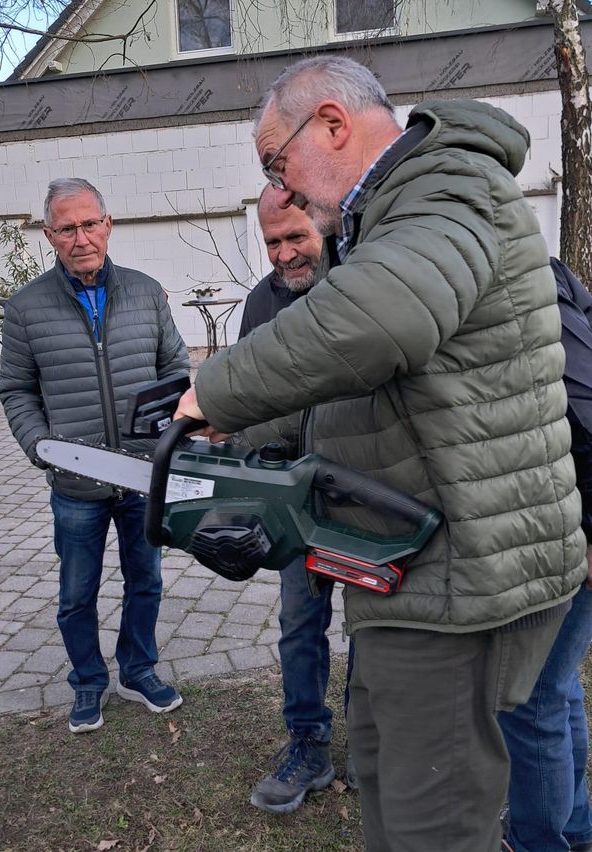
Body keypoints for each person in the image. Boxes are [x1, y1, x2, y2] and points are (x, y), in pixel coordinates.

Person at [174, 55, 586, 852]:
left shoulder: (447, 188)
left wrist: (215, 390)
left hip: (462, 579)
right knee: (383, 779)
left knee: (433, 820)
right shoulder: (386, 217)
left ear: (331, 124)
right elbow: (355, 385)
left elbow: (375, 323)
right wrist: (232, 434)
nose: (285, 189)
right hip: (412, 568)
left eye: (278, 163)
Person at [0, 177, 189, 734]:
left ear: (108, 225)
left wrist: (169, 431)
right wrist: (41, 446)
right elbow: (16, 390)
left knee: (145, 580)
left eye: (89, 224)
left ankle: (138, 669)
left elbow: (176, 368)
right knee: (77, 593)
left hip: (143, 474)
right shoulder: (25, 309)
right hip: (76, 482)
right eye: (66, 228)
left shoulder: (147, 293)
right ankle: (87, 680)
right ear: (49, 235)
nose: (80, 238)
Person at [233, 188, 339, 813]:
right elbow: (249, 396)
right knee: (300, 626)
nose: (284, 254)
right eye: (272, 241)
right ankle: (308, 743)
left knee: (378, 633)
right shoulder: (262, 301)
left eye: (296, 237)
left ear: (324, 223)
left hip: (367, 492)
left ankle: (376, 743)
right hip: (295, 499)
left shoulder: (360, 284)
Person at [498, 257, 592, 852]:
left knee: (531, 696)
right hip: (562, 521)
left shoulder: (523, 281)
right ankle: (573, 828)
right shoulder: (536, 274)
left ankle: (537, 841)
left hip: (575, 528)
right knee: (555, 688)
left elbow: (586, 399)